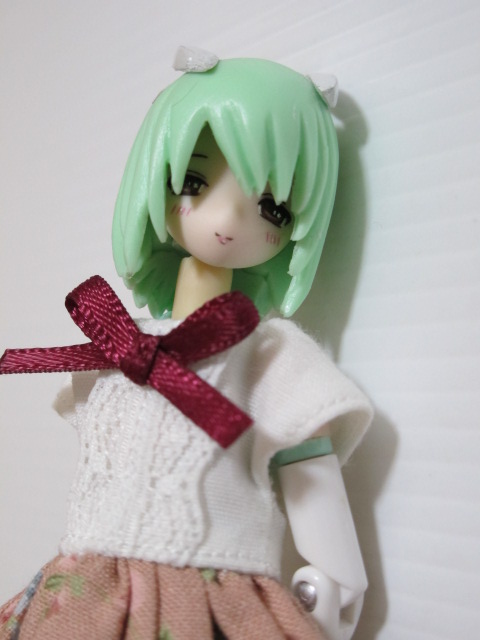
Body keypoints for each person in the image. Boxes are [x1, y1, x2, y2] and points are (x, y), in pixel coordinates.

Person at [0, 49, 372, 640]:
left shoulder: (266, 356)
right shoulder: (114, 344)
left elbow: (308, 471)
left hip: (208, 602)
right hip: (81, 596)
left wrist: (336, 585)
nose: (227, 222)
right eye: (194, 183)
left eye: (271, 207)